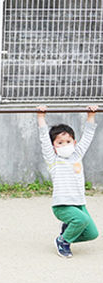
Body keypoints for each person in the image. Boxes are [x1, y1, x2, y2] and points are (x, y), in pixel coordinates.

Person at [37, 105, 99, 258]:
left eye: (68, 141)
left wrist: (90, 116)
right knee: (82, 219)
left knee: (92, 233)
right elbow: (44, 140)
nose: (65, 145)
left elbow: (88, 136)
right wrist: (40, 117)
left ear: (74, 142)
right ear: (54, 146)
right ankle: (63, 240)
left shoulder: (77, 155)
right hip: (62, 205)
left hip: (79, 203)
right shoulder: (53, 161)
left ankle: (67, 230)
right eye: (60, 143)